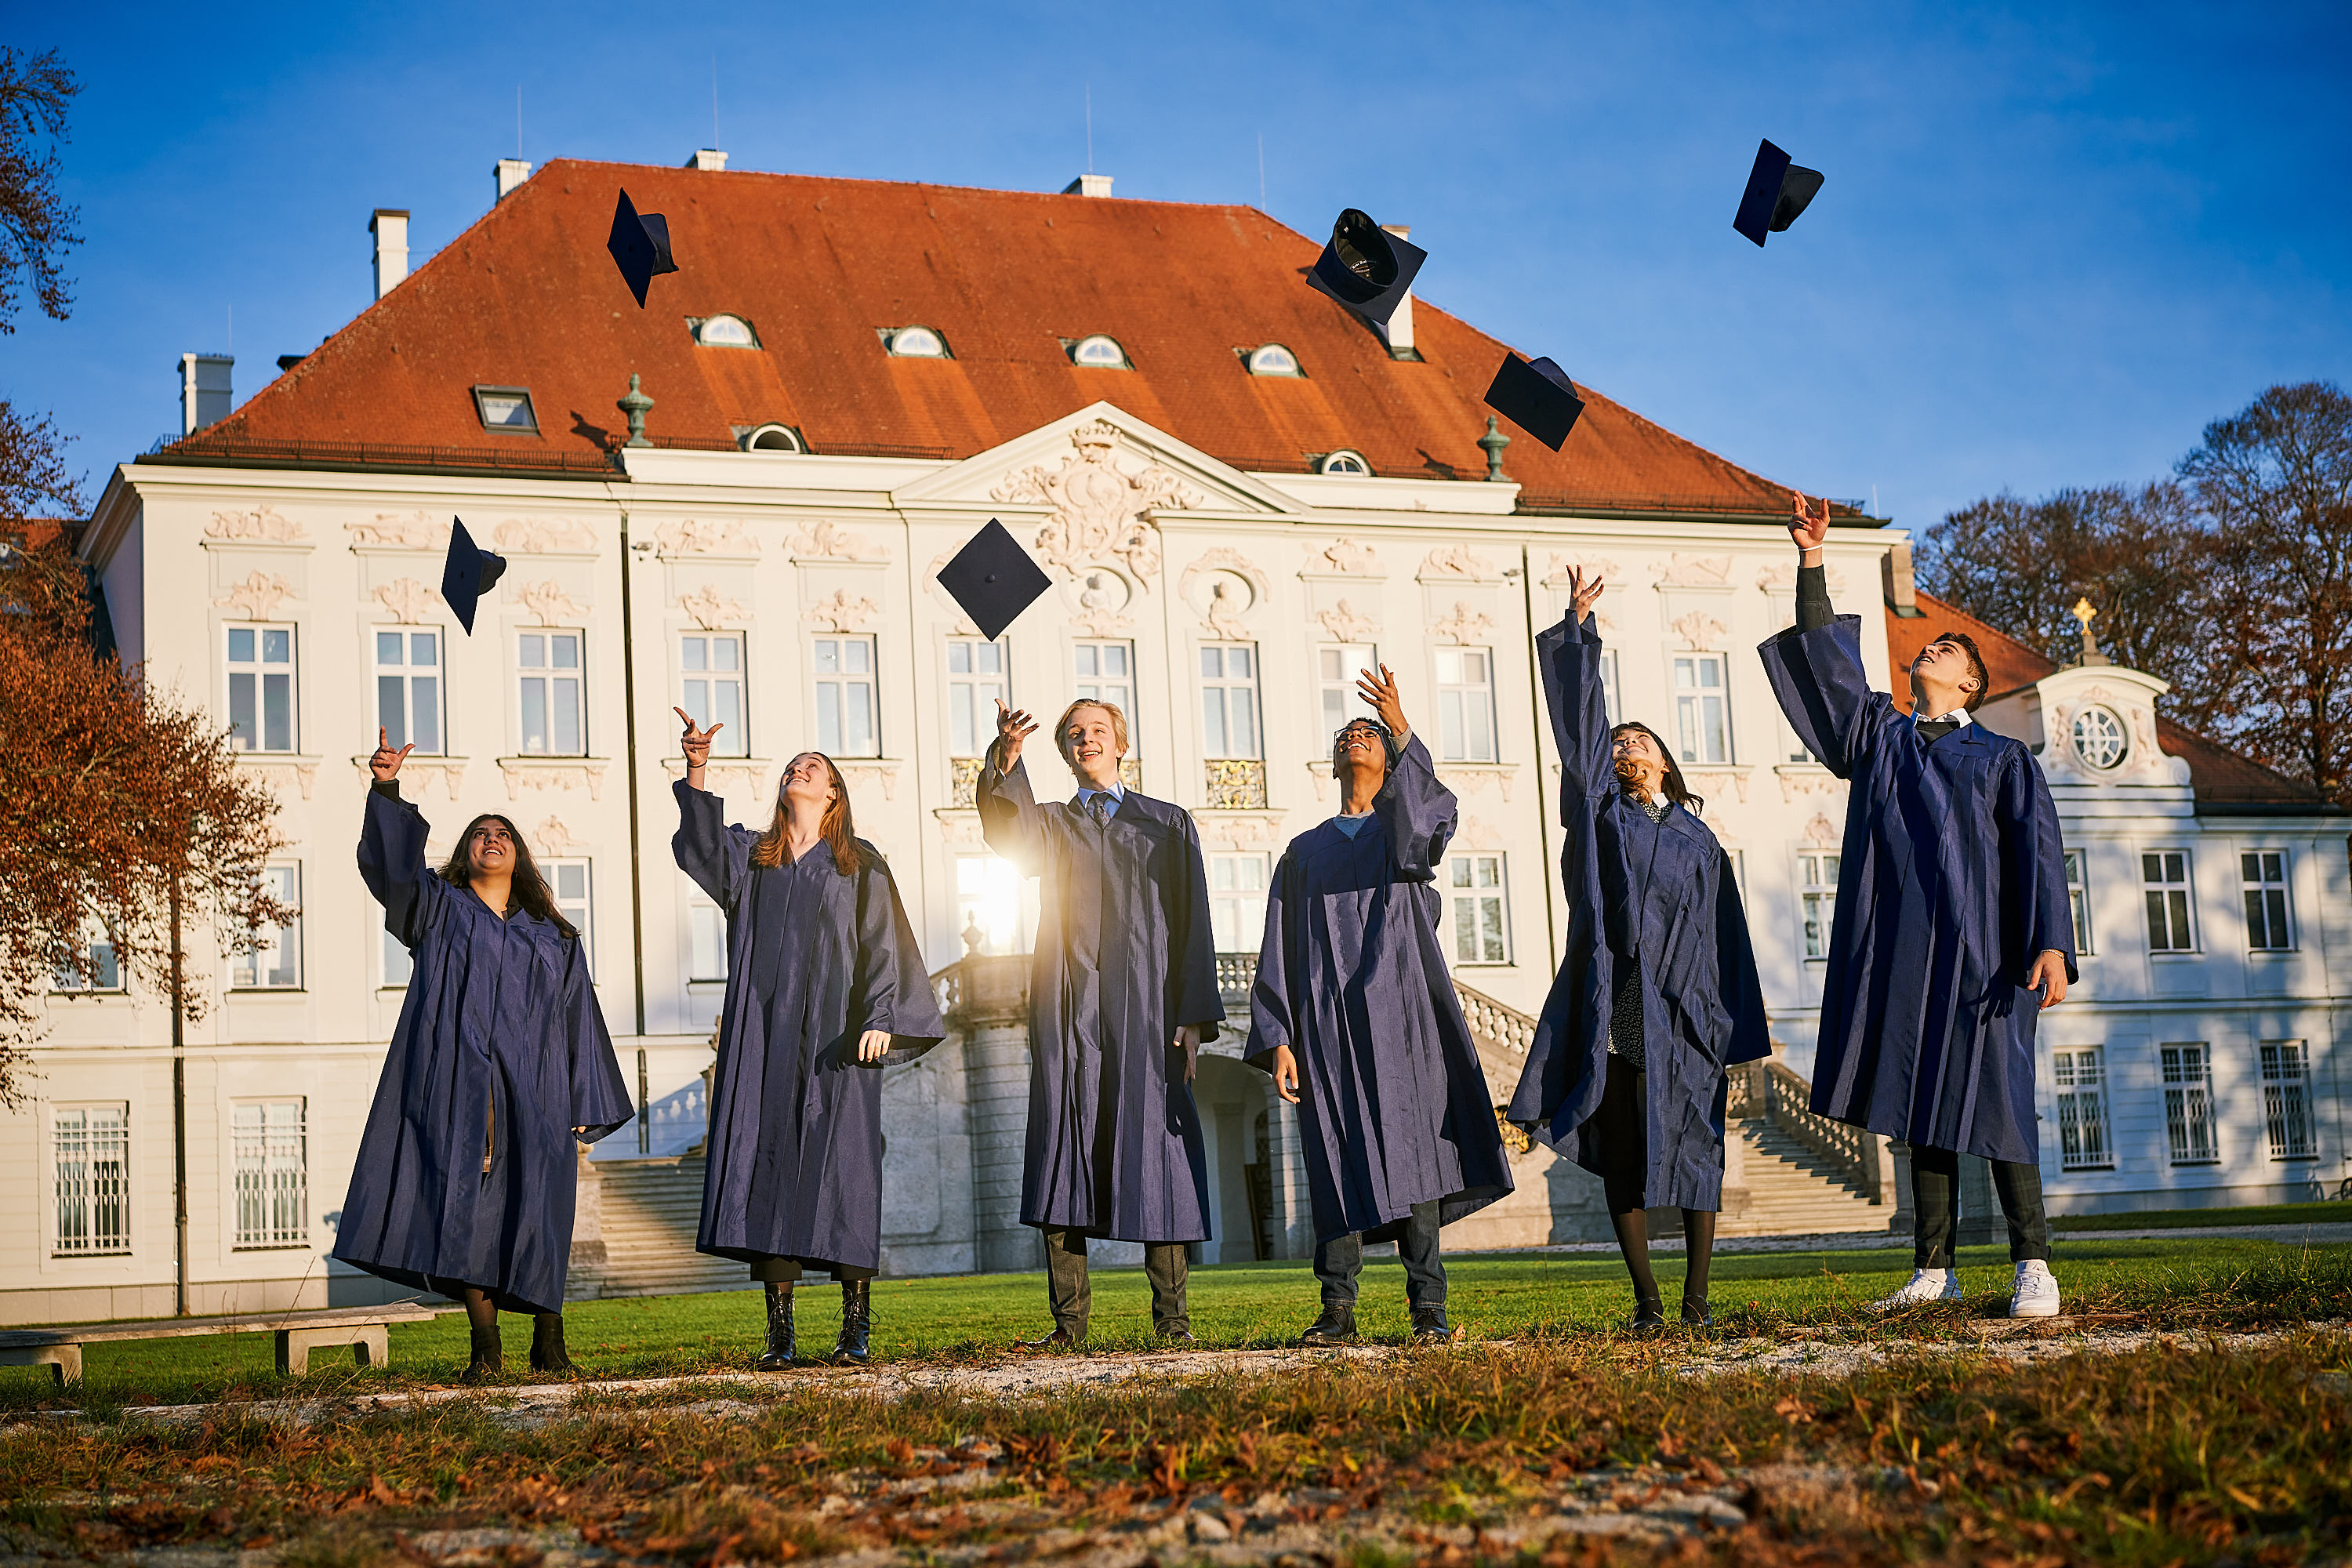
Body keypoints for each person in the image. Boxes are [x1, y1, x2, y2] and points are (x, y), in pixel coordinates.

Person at [1761, 493, 2075, 1319]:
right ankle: (1934, 1267)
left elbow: (2038, 850)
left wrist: (2049, 942)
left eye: (1950, 647)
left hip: (1987, 952)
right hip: (1903, 947)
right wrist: (1813, 563)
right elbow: (1828, 669)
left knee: (1999, 1100)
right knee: (1922, 1104)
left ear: (1970, 679)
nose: (1931, 646)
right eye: (1928, 644)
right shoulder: (1881, 738)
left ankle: (2033, 1263)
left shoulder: (2003, 758)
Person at [1505, 571, 1770, 1331]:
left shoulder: (1698, 836)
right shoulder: (1601, 817)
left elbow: (1731, 935)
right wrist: (1580, 631)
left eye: (1638, 739)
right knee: (1626, 1150)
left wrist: (1739, 1029)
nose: (1625, 745)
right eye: (1617, 739)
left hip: (1693, 1007)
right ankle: (1649, 1301)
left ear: (1663, 760)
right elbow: (1583, 734)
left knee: (1696, 1150)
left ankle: (1697, 1298)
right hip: (1624, 1002)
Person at [338, 729, 633, 1381]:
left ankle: (549, 1341)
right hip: (461, 1088)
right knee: (469, 1213)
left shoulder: (553, 938)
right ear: (465, 855)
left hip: (538, 1092)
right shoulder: (437, 911)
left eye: (502, 833)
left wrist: (587, 1097)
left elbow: (578, 1013)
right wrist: (386, 788)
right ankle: (486, 1350)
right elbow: (391, 874)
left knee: (541, 1210)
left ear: (519, 854)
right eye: (479, 834)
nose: (491, 838)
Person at [1246, 666, 1512, 1346]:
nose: (1355, 738)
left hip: (1404, 1019)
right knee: (1334, 1156)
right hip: (1328, 1026)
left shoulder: (1403, 834)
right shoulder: (1303, 853)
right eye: (1348, 734)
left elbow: (1429, 821)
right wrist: (1278, 1034)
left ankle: (1429, 1309)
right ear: (1335, 761)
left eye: (1368, 733)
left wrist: (1400, 724)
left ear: (1389, 757)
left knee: (1415, 1155)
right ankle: (1337, 1309)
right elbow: (1278, 945)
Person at [671, 714, 945, 1369]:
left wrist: (881, 1016)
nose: (799, 768)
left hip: (837, 1040)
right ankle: (780, 1335)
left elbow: (884, 944)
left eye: (813, 766)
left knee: (845, 1168)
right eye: (793, 764)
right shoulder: (751, 858)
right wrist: (697, 769)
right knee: (767, 1165)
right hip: (762, 1039)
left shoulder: (859, 864)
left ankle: (855, 1328)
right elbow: (700, 846)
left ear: (834, 795)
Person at [977, 696, 1223, 1348]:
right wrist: (1004, 762)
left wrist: (1194, 1017)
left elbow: (1194, 922)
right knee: (1065, 1146)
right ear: (1065, 752)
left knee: (1160, 1154)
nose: (1085, 740)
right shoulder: (1053, 824)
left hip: (1147, 1012)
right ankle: (1069, 1324)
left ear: (1120, 743)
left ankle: (1173, 1323)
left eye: (1096, 731)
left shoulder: (1166, 823)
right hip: (1069, 1006)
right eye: (1073, 735)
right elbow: (1010, 837)